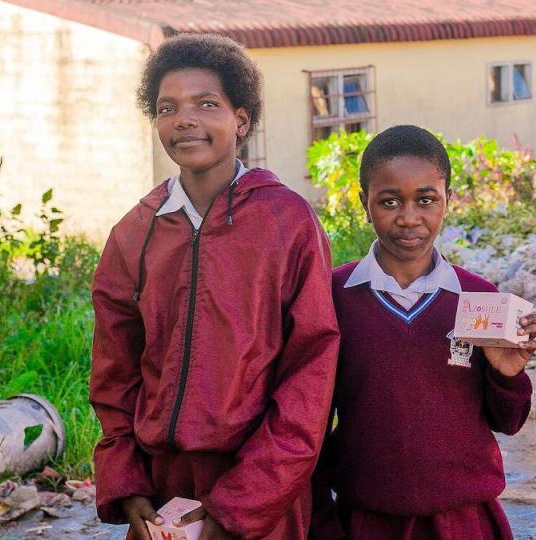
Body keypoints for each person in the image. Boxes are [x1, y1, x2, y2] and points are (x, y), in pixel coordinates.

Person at [90, 33, 340, 540]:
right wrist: (128, 483)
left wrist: (240, 508)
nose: (185, 119)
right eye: (167, 107)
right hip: (163, 487)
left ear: (241, 120)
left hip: (262, 484)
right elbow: (114, 372)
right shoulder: (134, 233)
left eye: (207, 104)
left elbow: (310, 377)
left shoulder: (286, 222)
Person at [310, 125, 536, 539]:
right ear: (365, 203)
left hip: (465, 522)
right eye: (389, 201)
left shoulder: (477, 298)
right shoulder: (334, 298)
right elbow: (310, 419)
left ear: (448, 201)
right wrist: (322, 520)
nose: (409, 217)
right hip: (365, 520)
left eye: (426, 199)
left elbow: (508, 422)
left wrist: (508, 374)